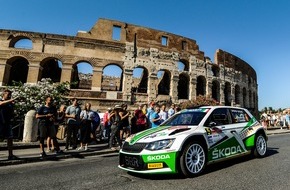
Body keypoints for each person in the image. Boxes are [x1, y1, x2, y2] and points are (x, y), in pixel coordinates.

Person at [0, 89, 18, 160]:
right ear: (3, 94)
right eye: (8, 94)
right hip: (0, 122)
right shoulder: (1, 100)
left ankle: (10, 155)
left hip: (8, 123)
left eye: (10, 94)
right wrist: (11, 100)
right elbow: (1, 104)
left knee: (10, 138)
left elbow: (12, 112)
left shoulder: (10, 103)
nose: (9, 96)